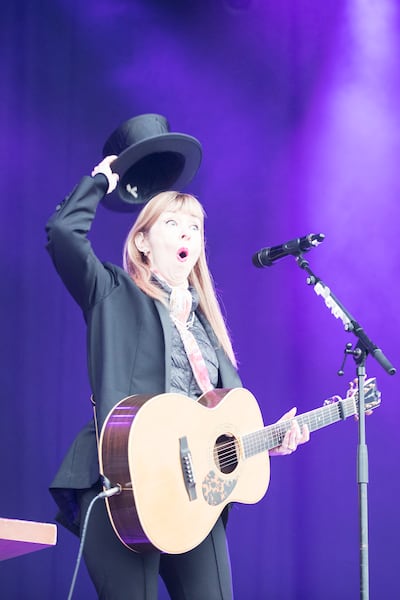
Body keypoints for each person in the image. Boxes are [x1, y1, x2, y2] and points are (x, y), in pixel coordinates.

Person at [46, 144, 309, 599]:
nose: (187, 232)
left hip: (194, 499)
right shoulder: (112, 292)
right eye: (172, 223)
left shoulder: (208, 328)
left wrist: (268, 442)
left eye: (195, 227)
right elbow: (63, 233)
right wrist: (100, 181)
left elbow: (219, 425)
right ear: (142, 241)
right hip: (124, 487)